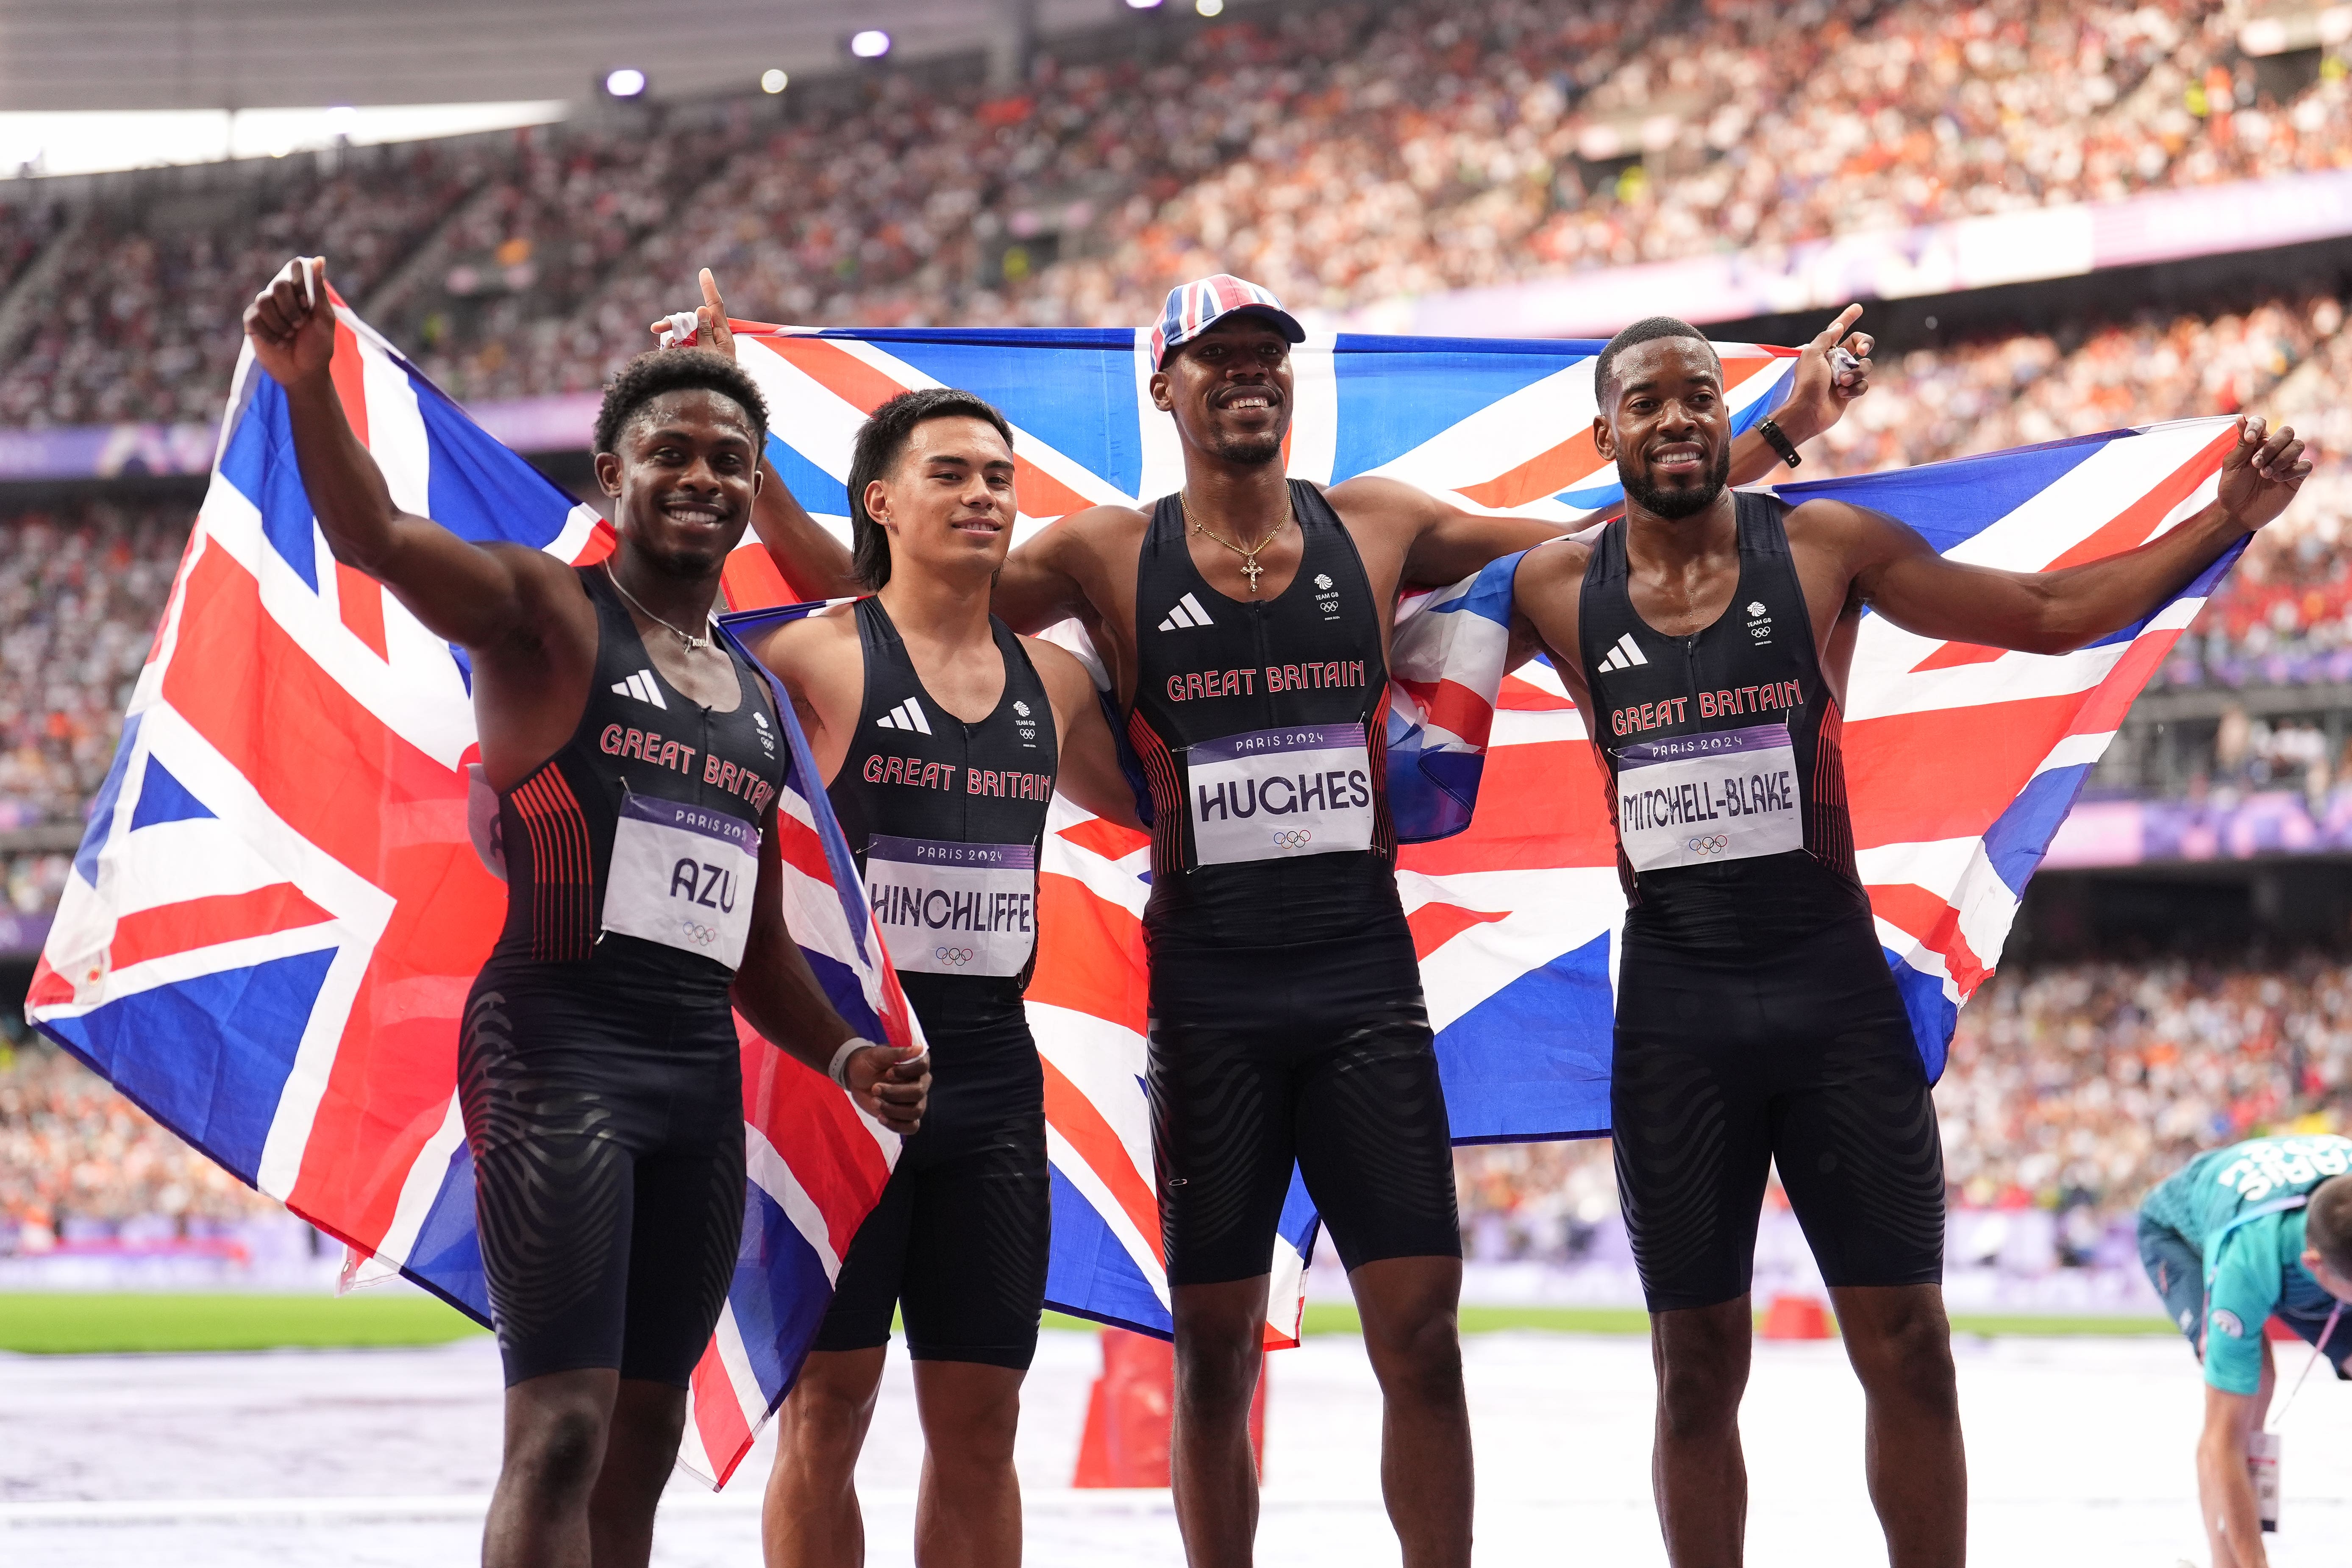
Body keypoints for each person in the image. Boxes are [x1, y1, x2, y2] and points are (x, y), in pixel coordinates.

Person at [724, 272, 1874, 1568]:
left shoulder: (1375, 526)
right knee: (1213, 1357)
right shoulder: (1103, 553)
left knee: (1419, 1338)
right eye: (1215, 356)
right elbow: (903, 600)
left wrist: (1783, 434)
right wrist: (765, 476)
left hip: (1364, 997)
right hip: (1210, 1005)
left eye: (1265, 353)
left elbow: (1600, 538)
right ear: (1165, 385)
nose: (1245, 372)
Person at [1506, 314, 2313, 1568]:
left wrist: (2223, 518)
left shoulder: (1821, 546)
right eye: (1647, 402)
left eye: (1701, 398)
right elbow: (1375, 628)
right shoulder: (1552, 583)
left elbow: (2047, 610)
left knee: (1911, 1350)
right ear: (1601, 430)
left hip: (1832, 1006)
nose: (1675, 419)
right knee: (1691, 1372)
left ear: (1725, 417)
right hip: (1675, 1019)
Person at [242, 256, 930, 1568]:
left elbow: (757, 946)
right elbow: (376, 540)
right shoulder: (545, 616)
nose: (705, 476)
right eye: (671, 450)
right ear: (611, 479)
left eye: (731, 458)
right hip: (555, 1056)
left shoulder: (749, 698)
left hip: (694, 1082)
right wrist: (306, 385)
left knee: (642, 1441)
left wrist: (842, 1053)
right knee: (557, 1429)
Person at [665, 289, 1137, 1567]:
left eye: (999, 475)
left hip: (991, 1082)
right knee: (826, 1413)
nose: (984, 494)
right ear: (878, 500)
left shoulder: (1053, 680)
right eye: (950, 474)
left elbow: (1174, 805)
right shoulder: (813, 664)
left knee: (980, 1423)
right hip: (844, 1083)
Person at [2139, 1134, 2352, 1568]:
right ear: (2317, 1267)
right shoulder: (2246, 1263)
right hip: (2186, 1234)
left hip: (2304, 1223)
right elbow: (2225, 1440)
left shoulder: (2332, 1257)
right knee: (2251, 1388)